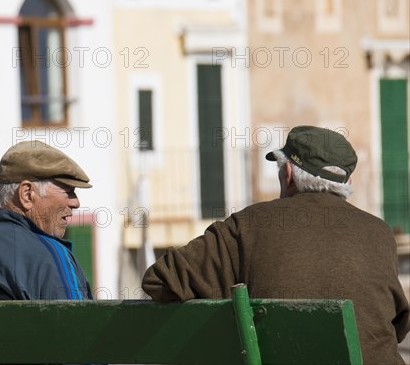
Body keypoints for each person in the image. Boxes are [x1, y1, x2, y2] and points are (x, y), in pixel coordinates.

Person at [142, 125, 409, 364]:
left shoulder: (246, 226)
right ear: (347, 183)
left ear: (288, 174)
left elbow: (160, 281)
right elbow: (397, 324)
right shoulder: (380, 233)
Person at [0, 140, 93, 301]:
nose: (76, 203)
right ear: (27, 194)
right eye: (68, 191)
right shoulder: (52, 256)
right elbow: (79, 323)